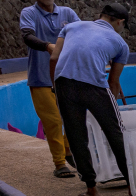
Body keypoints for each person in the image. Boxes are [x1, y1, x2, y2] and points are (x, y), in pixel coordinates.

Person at [48, 2, 131, 196]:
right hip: (95, 87)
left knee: (77, 137)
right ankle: (132, 185)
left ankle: (91, 189)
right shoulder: (120, 44)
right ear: (120, 22)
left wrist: (55, 87)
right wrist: (111, 108)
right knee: (116, 134)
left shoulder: (71, 27)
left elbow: (54, 58)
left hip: (64, 84)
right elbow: (113, 82)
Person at [20, 0, 78, 178]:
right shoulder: (29, 13)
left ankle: (68, 151)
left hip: (67, 75)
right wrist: (47, 46)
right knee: (53, 121)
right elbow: (27, 36)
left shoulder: (67, 13)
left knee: (72, 117)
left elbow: (81, 33)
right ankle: (59, 163)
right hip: (41, 77)